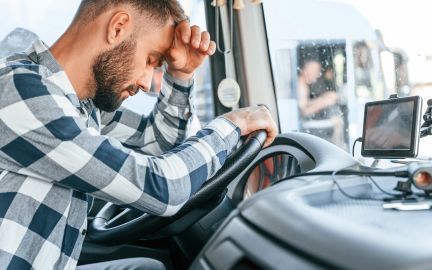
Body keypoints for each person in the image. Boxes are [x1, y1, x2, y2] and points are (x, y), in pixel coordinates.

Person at [0, 1, 278, 269]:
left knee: (146, 267)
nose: (147, 82)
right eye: (151, 60)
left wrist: (180, 74)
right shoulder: (20, 92)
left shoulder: (79, 104)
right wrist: (233, 125)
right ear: (118, 27)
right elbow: (161, 187)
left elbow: (157, 142)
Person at [296, 59, 344, 147]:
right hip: (304, 125)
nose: (318, 75)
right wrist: (324, 103)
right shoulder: (301, 86)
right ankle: (336, 148)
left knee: (337, 120)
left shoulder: (303, 84)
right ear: (307, 71)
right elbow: (304, 112)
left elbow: (305, 103)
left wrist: (323, 97)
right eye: (316, 72)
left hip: (306, 122)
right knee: (338, 122)